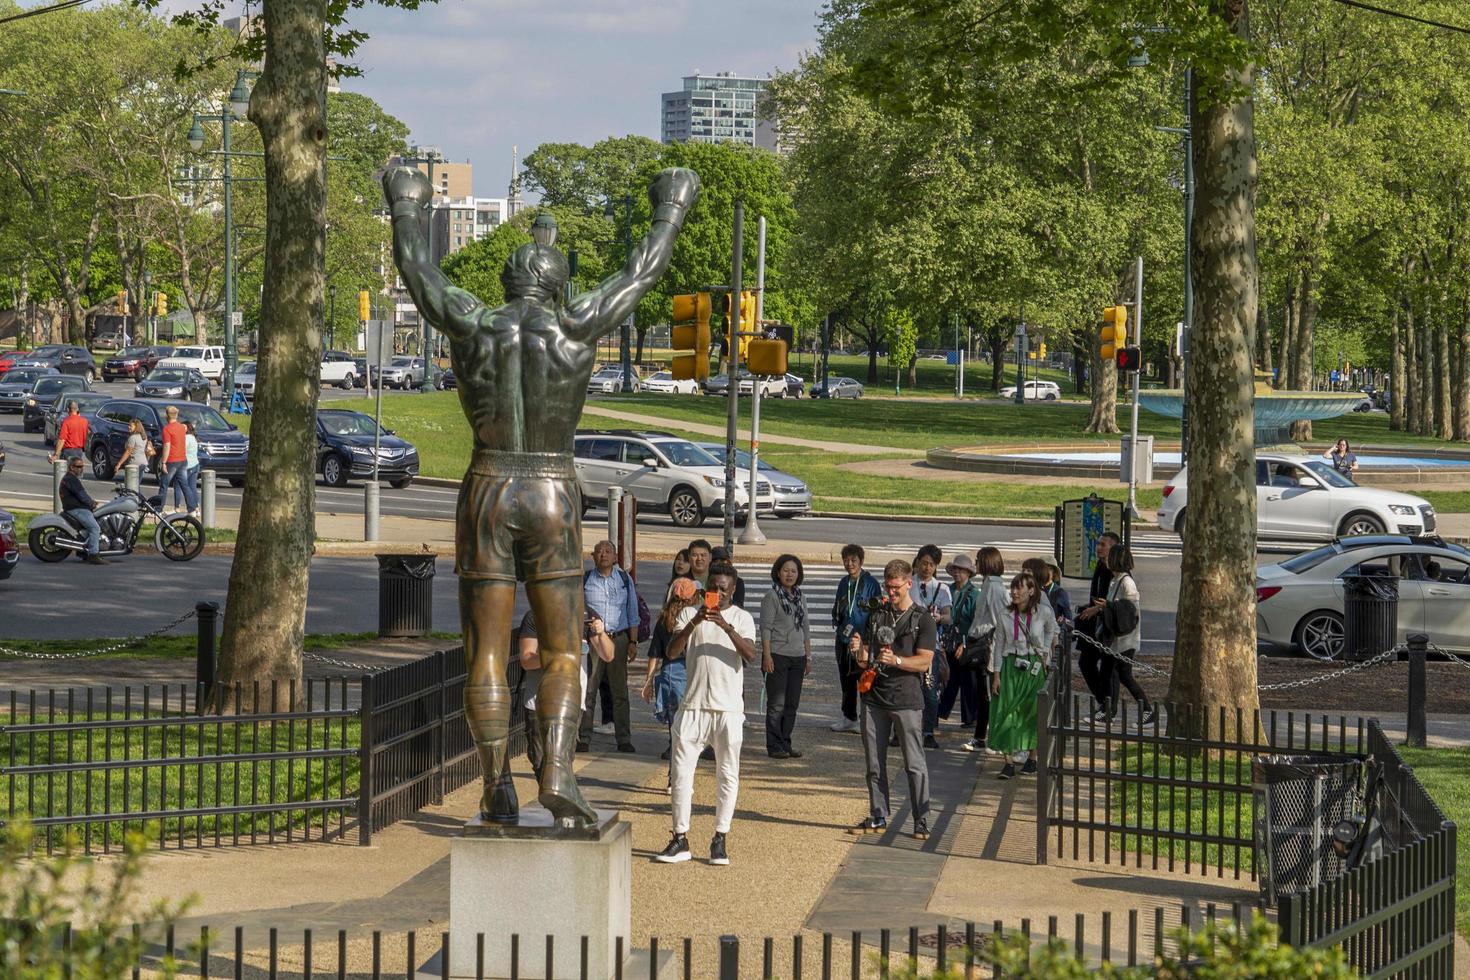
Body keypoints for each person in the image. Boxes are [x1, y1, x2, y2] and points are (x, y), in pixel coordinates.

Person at [384, 161, 699, 826]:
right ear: (557, 287)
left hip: (488, 485)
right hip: (553, 486)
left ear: (508, 283)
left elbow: (418, 272)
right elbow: (642, 272)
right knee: (562, 647)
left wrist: (408, 202)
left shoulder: (473, 324)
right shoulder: (577, 326)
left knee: (487, 650)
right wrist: (670, 206)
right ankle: (555, 771)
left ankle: (496, 781)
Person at [655, 563, 757, 866]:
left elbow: (750, 655)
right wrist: (696, 621)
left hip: (728, 708)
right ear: (705, 587)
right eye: (713, 586)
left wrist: (725, 626)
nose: (718, 592)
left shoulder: (742, 617)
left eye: (724, 587)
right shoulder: (689, 614)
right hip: (693, 706)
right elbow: (671, 652)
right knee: (681, 775)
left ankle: (720, 837)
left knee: (728, 773)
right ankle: (680, 837)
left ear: (733, 588)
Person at [848, 558, 936, 840]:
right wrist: (858, 651)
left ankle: (921, 819)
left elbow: (924, 663)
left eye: (896, 587)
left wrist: (897, 659)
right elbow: (866, 661)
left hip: (907, 699)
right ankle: (878, 815)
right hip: (874, 698)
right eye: (888, 586)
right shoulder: (878, 614)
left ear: (909, 583)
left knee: (914, 764)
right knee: (874, 763)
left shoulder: (922, 618)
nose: (891, 592)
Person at [517, 607, 614, 780]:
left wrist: (601, 633)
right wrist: (555, 654)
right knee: (539, 760)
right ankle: (552, 794)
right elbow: (526, 660)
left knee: (564, 758)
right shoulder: (535, 615)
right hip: (538, 700)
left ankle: (558, 797)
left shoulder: (585, 615)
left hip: (572, 700)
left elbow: (608, 655)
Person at [988, 571, 1057, 779]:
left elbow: (1051, 631)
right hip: (1010, 665)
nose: (1015, 592)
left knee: (1031, 712)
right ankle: (1008, 761)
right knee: (1007, 712)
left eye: (1020, 588)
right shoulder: (1005, 615)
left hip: (1032, 665)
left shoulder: (1043, 612)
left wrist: (1044, 654)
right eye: (1013, 588)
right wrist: (997, 674)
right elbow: (998, 645)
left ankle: (1032, 758)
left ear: (1031, 590)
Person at [579, 540, 640, 753]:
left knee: (620, 690)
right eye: (599, 551)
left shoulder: (624, 579)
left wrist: (633, 641)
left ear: (615, 557)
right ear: (593, 556)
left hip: (619, 638)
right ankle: (583, 737)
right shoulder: (586, 580)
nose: (603, 555)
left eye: (608, 551)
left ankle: (623, 738)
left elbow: (633, 612)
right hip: (594, 639)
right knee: (589, 689)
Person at [641, 578, 699, 774]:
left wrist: (648, 682)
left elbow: (654, 654)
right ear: (694, 598)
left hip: (669, 674)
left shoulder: (664, 619)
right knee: (689, 730)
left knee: (675, 730)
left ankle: (673, 776)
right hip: (690, 672)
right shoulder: (695, 618)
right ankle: (680, 774)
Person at [760, 554, 812, 758]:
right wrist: (766, 655)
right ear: (778, 572)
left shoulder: (801, 597)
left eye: (794, 571)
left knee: (792, 704)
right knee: (777, 704)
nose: (789, 574)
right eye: (785, 570)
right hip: (777, 654)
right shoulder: (771, 597)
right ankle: (774, 745)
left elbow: (806, 628)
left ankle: (785, 741)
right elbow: (765, 628)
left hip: (798, 656)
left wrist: (808, 656)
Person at [830, 544, 881, 733]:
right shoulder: (843, 582)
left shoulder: (871, 583)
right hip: (844, 637)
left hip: (863, 639)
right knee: (845, 679)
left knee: (864, 678)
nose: (849, 564)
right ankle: (848, 716)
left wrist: (869, 638)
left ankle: (866, 718)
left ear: (861, 561)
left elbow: (877, 612)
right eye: (846, 560)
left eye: (853, 560)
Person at [963, 547, 1010, 753]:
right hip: (986, 644)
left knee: (988, 693)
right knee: (984, 692)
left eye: (978, 560)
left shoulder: (994, 588)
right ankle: (982, 736)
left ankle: (986, 736)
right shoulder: (989, 585)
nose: (976, 564)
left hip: (990, 646)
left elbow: (1000, 620)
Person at [1100, 544, 1153, 724]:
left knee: (1121, 673)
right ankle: (1111, 710)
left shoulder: (1126, 582)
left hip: (1125, 638)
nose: (1106, 560)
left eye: (1109, 557)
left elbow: (1131, 610)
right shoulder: (1116, 580)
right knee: (1115, 673)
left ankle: (1145, 710)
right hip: (1118, 638)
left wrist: (1108, 607)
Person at [1074, 532, 1120, 715]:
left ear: (1113, 548)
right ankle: (1103, 701)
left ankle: (1110, 708)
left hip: (1107, 624)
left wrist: (1097, 609)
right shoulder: (1100, 566)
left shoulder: (1114, 571)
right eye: (1098, 544)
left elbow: (1114, 601)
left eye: (1103, 545)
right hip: (1095, 622)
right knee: (1086, 663)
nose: (1099, 547)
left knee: (1111, 668)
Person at [911, 545, 951, 749]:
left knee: (929, 688)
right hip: (908, 643)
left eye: (931, 564)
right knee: (907, 687)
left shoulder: (942, 588)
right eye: (924, 563)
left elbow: (948, 617)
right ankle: (902, 732)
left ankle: (928, 731)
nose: (927, 568)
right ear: (917, 562)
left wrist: (939, 617)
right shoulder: (909, 583)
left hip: (931, 645)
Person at [937, 555, 979, 730]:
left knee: (968, 681)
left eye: (960, 570)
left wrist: (967, 642)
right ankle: (940, 712)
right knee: (948, 678)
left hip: (966, 642)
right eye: (955, 570)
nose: (957, 573)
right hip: (948, 641)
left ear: (968, 573)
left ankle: (970, 718)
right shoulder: (947, 590)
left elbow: (976, 621)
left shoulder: (975, 594)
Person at [59, 456, 106, 564]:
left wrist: (90, 502)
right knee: (95, 528)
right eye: (79, 467)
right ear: (71, 467)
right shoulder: (71, 479)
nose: (81, 469)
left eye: (82, 466)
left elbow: (81, 495)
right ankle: (94, 554)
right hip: (77, 509)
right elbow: (82, 495)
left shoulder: (69, 478)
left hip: (75, 508)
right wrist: (91, 503)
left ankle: (84, 551)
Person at [158, 406, 197, 516]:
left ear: (166, 415)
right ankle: (192, 509)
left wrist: (164, 462)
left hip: (172, 460)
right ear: (176, 415)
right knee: (185, 485)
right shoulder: (182, 427)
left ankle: (158, 509)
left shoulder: (167, 429)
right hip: (183, 460)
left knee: (164, 485)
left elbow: (167, 446)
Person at [175, 420, 201, 519]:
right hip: (195, 464)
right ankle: (196, 508)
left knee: (178, 485)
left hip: (186, 465)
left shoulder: (185, 438)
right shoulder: (193, 438)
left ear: (188, 428)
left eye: (183, 427)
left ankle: (177, 507)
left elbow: (179, 450)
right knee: (192, 487)